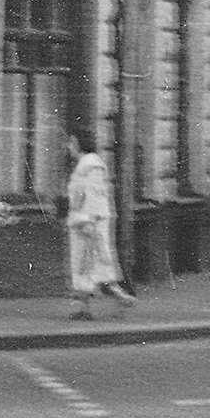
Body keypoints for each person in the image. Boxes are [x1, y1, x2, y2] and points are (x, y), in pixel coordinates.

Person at [63, 130, 135, 319]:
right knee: (89, 265)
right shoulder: (85, 165)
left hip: (88, 223)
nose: (68, 147)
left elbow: (95, 196)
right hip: (83, 222)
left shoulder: (92, 165)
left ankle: (101, 303)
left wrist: (88, 221)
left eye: (71, 142)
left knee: (88, 264)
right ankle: (111, 300)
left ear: (79, 143)